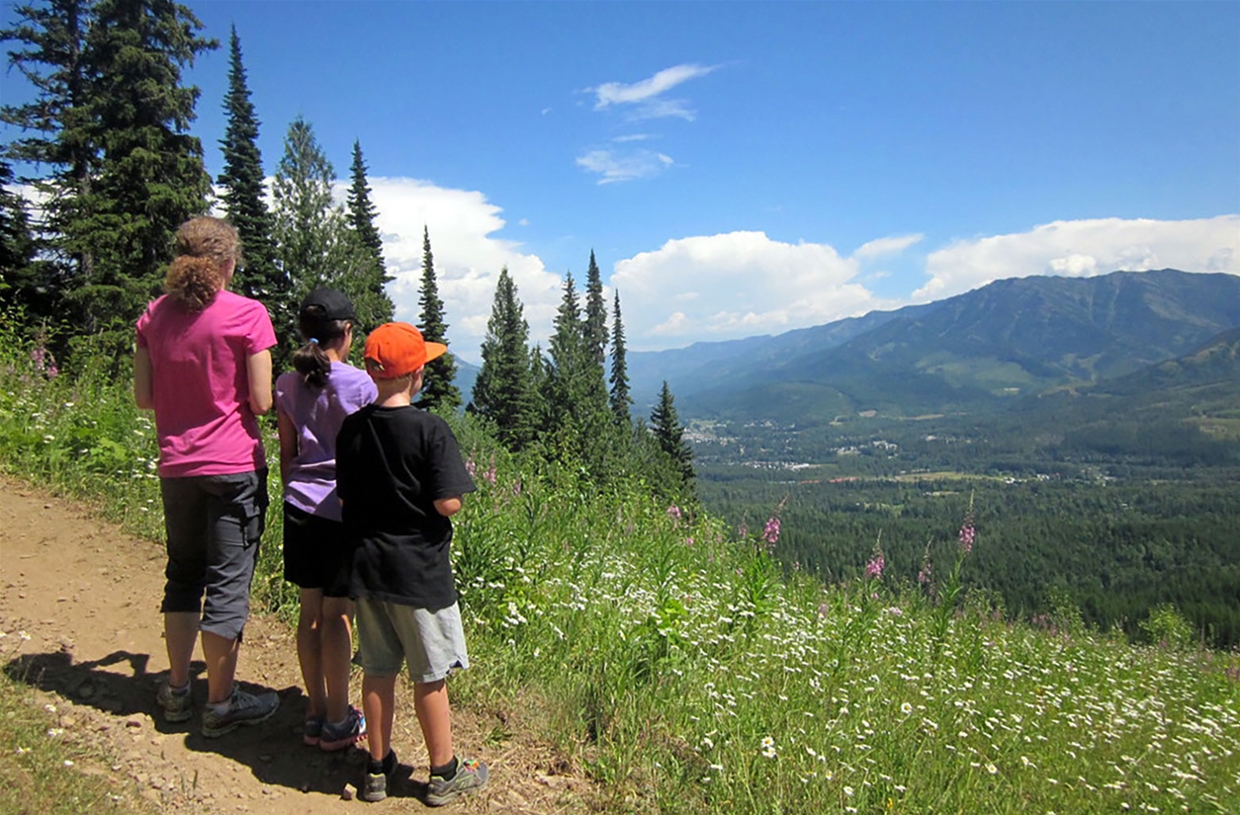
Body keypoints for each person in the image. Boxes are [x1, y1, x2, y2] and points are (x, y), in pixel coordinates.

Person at [134, 216, 280, 738]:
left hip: (177, 466)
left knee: (183, 574)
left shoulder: (154, 316)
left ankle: (176, 690)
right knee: (226, 583)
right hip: (234, 466)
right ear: (228, 263)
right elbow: (261, 401)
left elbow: (144, 397)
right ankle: (220, 704)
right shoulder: (248, 315)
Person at [336, 322, 489, 805]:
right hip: (419, 571)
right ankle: (443, 772)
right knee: (430, 673)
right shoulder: (430, 429)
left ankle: (377, 767)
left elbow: (346, 496)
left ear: (371, 370)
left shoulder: (351, 428)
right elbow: (448, 504)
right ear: (417, 374)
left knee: (378, 668)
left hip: (367, 566)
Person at [275, 288, 375, 751]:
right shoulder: (360, 385)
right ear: (348, 332)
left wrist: (292, 491)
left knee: (309, 612)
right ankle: (339, 719)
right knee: (338, 618)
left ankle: (315, 712)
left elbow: (287, 452)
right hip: (342, 508)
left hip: (299, 506)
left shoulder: (286, 384)